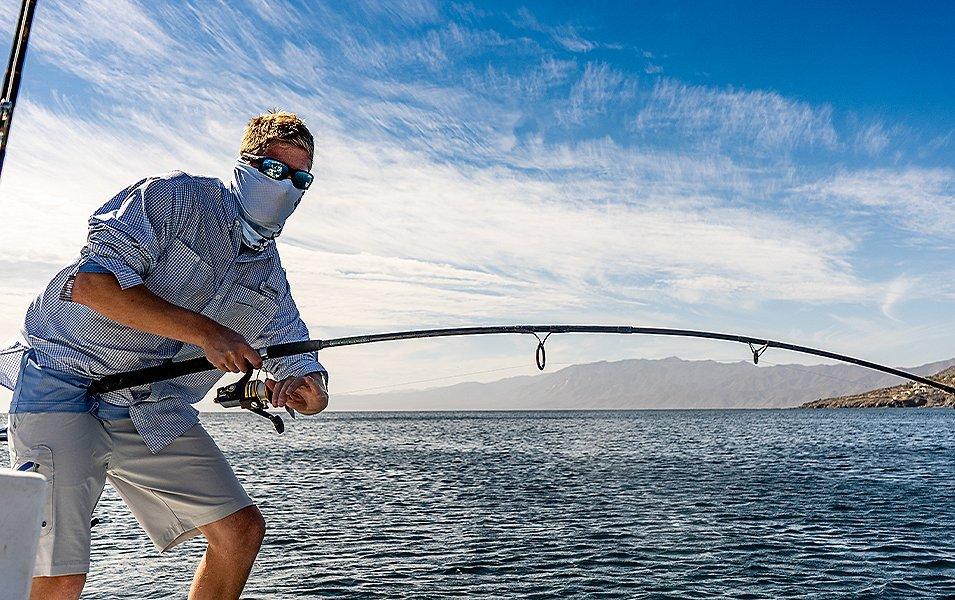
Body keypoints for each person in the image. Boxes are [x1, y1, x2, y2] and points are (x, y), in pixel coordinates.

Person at [0, 110, 329, 600]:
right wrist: (206, 333)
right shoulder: (174, 197)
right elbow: (91, 286)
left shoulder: (268, 274)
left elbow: (297, 357)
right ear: (244, 166)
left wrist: (310, 392)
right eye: (273, 171)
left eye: (300, 179)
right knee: (60, 572)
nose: (286, 188)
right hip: (64, 383)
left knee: (240, 532)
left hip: (151, 406)